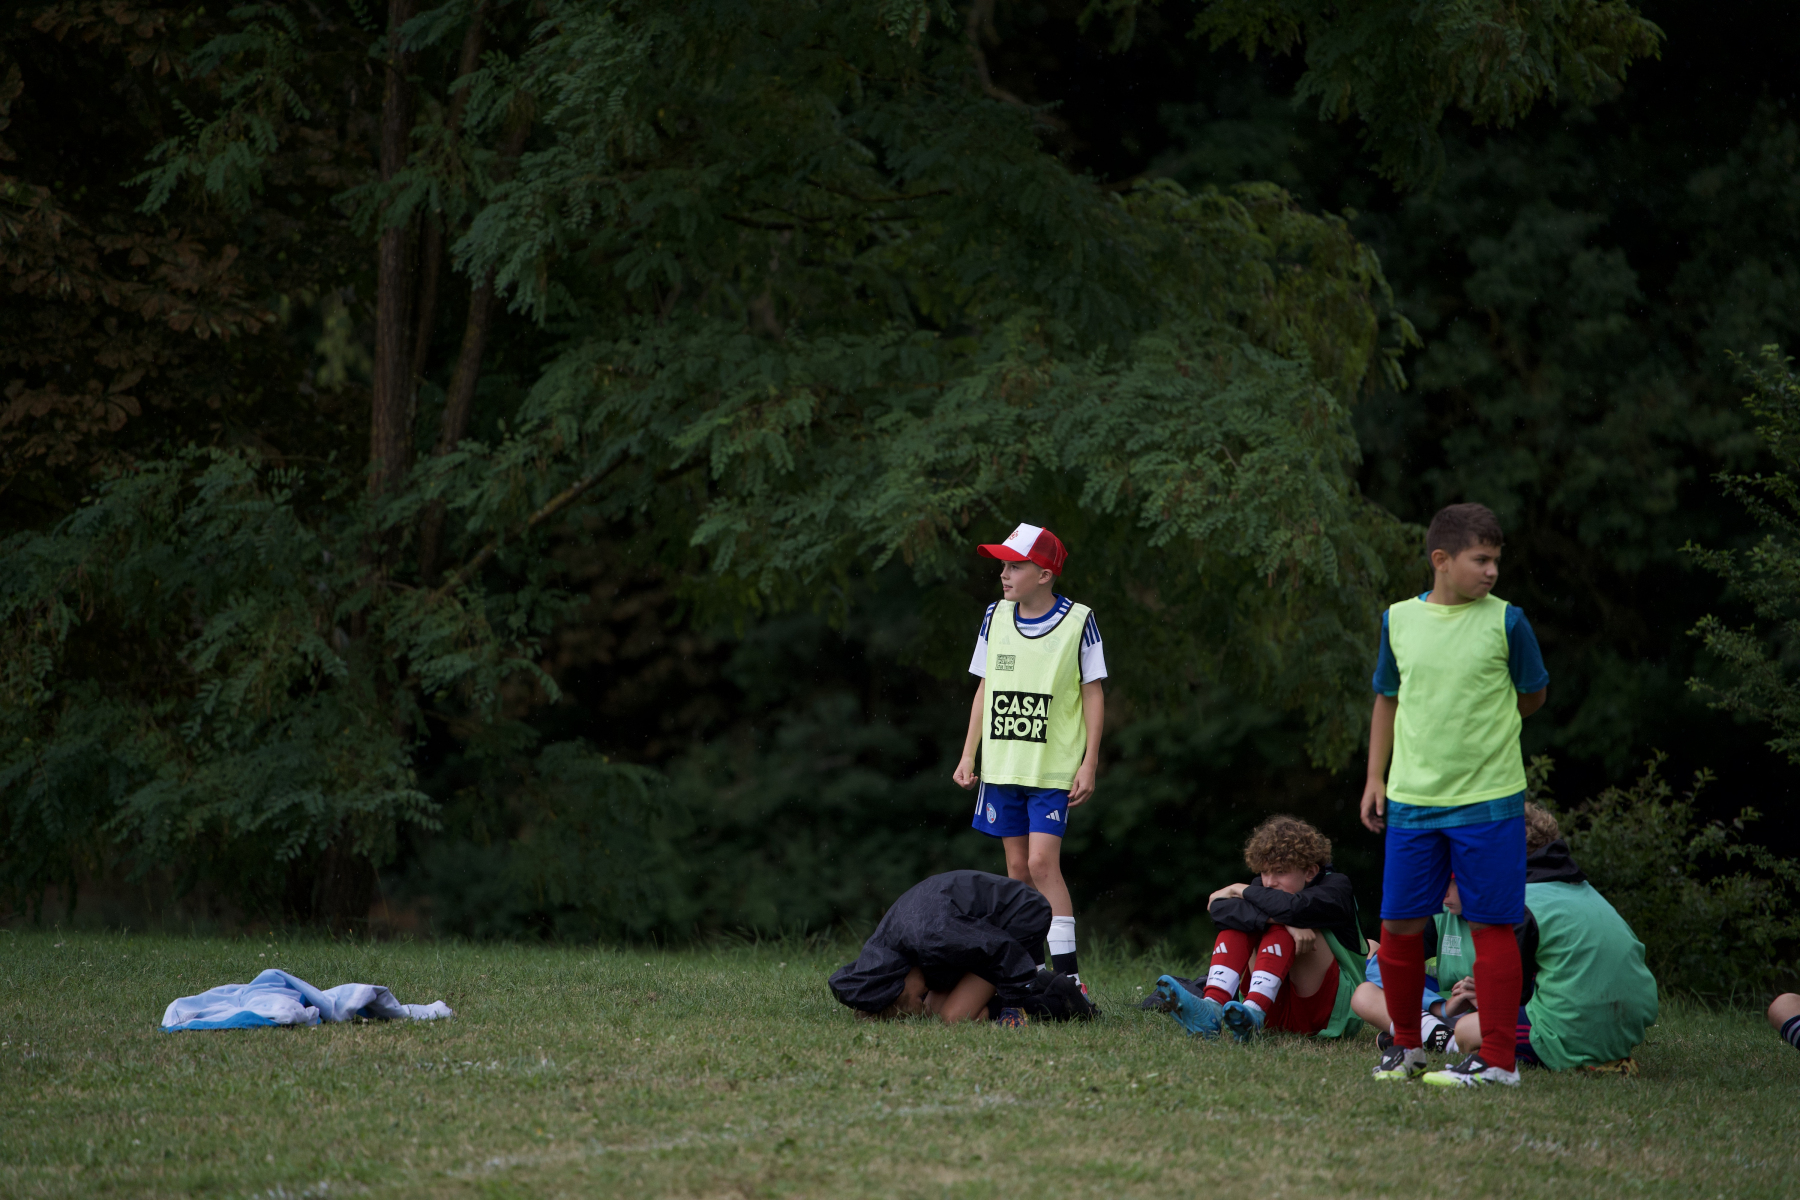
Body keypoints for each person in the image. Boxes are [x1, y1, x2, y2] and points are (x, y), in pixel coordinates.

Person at [1362, 502, 1550, 1088]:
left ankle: (1497, 1062)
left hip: (1489, 802)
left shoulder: (1508, 622)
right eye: (1480, 560)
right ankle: (1406, 1048)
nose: (1492, 571)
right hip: (1413, 803)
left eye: (1496, 560)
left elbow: (1532, 695)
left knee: (1491, 928)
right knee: (1398, 929)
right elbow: (1387, 697)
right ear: (1441, 560)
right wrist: (1375, 778)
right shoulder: (1398, 620)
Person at [953, 522, 1107, 991]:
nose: (1004, 574)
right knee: (1018, 870)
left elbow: (1093, 693)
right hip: (1003, 766)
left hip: (1051, 769)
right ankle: (1031, 974)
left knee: (1042, 865)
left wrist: (1089, 761)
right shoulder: (994, 615)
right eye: (1002, 565)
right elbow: (984, 687)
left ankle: (1069, 979)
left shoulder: (1079, 620)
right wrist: (968, 754)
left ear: (1044, 575)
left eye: (1015, 566)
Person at [1148, 815, 1367, 1042]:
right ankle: (1213, 1008)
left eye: (1280, 871)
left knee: (1277, 923)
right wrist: (1287, 923)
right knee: (1242, 924)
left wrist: (1237, 889)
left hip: (1328, 1015)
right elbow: (1220, 910)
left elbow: (1295, 908)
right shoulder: (1264, 889)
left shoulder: (1336, 887)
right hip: (1273, 1015)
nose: (1269, 882)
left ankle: (1255, 1008)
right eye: (1264, 872)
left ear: (1310, 872)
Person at [828, 870, 1094, 1024]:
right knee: (936, 1010)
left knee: (954, 1017)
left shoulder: (932, 938)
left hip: (1020, 918)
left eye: (916, 998)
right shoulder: (894, 950)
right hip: (978, 929)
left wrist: (1013, 1005)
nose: (922, 997)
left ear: (898, 982)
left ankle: (1060, 999)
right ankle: (1040, 984)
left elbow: (1001, 949)